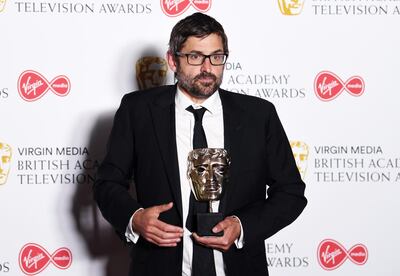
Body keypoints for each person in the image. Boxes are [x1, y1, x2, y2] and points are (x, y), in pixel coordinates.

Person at [94, 12, 307, 276]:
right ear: (173, 60)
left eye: (216, 57)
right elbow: (107, 184)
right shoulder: (137, 110)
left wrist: (242, 226)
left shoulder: (258, 115)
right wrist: (134, 218)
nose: (207, 68)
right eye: (195, 57)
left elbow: (291, 192)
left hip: (239, 267)